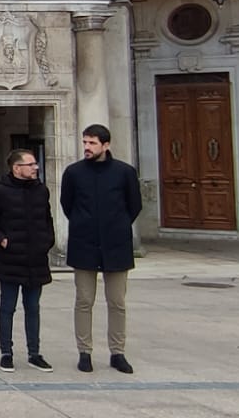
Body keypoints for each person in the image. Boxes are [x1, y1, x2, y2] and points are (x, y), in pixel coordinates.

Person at [61, 124, 142, 374]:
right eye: (85, 142)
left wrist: (115, 226)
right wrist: (84, 224)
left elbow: (134, 205)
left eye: (92, 143)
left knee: (117, 301)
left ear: (106, 145)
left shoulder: (124, 172)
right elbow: (67, 204)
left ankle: (117, 352)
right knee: (84, 300)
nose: (87, 147)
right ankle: (84, 351)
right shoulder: (73, 173)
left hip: (116, 246)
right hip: (84, 245)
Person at [0, 149, 56, 373]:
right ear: (16, 168)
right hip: (11, 258)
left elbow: (47, 219)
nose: (35, 168)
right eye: (30, 164)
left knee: (33, 308)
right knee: (8, 307)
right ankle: (6, 352)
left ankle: (34, 352)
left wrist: (47, 241)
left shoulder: (41, 190)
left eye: (35, 164)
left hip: (36, 258)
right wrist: (2, 240)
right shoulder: (0, 191)